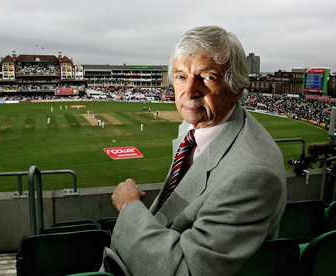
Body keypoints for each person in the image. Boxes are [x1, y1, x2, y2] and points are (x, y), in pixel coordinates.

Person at [104, 26, 287, 275]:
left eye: (208, 77)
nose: (189, 91)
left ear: (237, 89)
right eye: (180, 76)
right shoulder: (191, 126)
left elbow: (187, 271)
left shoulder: (253, 174)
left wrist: (130, 208)